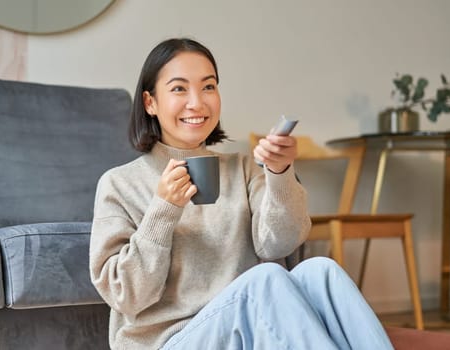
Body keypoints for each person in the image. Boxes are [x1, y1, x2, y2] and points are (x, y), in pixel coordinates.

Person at [89, 37, 394, 350]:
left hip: (245, 332)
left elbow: (281, 243)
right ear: (150, 102)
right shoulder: (119, 183)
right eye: (179, 88)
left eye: (208, 87)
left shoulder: (243, 168)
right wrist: (163, 210)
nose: (197, 102)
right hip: (168, 342)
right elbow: (126, 295)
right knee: (265, 280)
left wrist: (279, 174)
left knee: (322, 271)